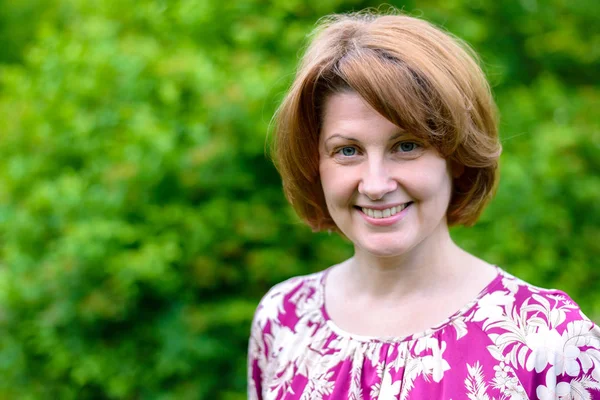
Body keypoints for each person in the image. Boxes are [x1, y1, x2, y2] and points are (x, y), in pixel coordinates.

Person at [247, 10, 600, 400]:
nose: (376, 184)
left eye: (407, 146)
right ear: (315, 164)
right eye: (348, 150)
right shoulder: (283, 319)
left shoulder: (551, 341)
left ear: (457, 156)